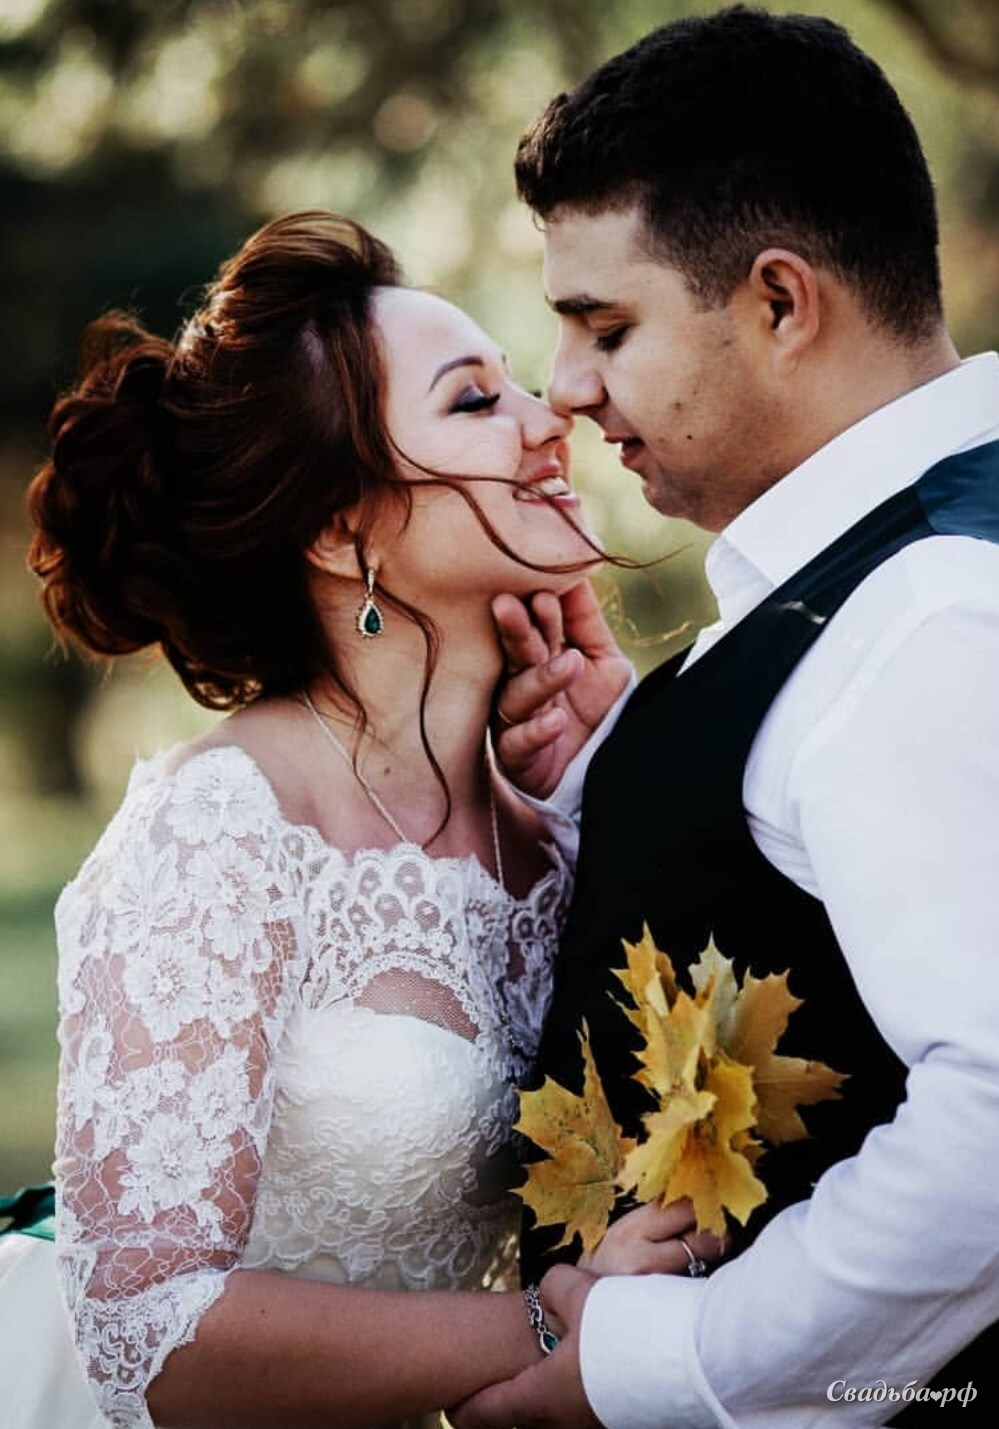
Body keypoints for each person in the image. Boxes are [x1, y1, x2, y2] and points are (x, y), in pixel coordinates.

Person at [0, 210, 720, 1429]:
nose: (552, 415)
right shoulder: (221, 832)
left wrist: (611, 772)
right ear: (341, 528)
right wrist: (553, 1320)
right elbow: (147, 1328)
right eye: (475, 400)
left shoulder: (560, 827)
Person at [453, 8, 999, 1429]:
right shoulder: (901, 575)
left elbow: (992, 1116)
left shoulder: (927, 618)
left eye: (606, 328)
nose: (566, 390)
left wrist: (650, 1364)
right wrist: (637, 766)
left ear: (779, 303)